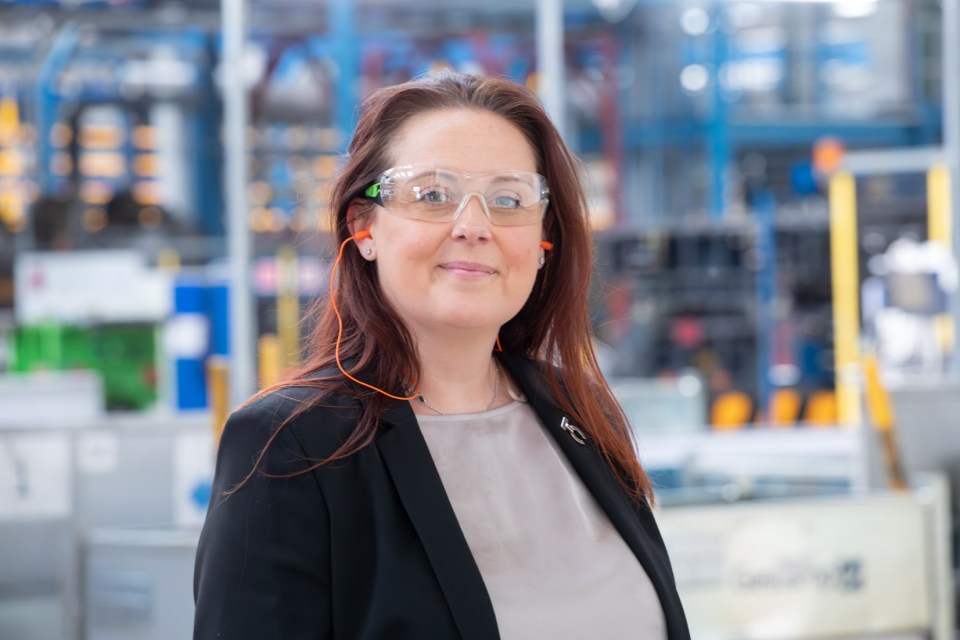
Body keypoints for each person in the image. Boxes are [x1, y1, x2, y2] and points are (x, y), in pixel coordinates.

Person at [193, 71, 690, 640]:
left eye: (508, 199)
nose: (473, 226)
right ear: (364, 227)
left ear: (543, 240)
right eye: (432, 194)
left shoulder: (580, 412)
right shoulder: (294, 445)